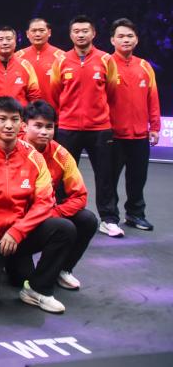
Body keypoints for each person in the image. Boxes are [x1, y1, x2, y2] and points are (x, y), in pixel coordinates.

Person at [0, 96, 75, 313]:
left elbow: (45, 202)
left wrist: (18, 231)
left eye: (14, 120)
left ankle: (38, 290)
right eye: (2, 119)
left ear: (22, 123)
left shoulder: (34, 158)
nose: (9, 125)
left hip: (18, 236)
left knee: (63, 228)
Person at [49, 16, 122, 237]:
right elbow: (54, 93)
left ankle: (109, 219)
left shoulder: (106, 60)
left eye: (85, 31)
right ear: (70, 34)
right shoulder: (61, 60)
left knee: (105, 175)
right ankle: (62, 214)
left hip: (99, 128)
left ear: (93, 34)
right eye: (76, 31)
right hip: (68, 127)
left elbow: (112, 92)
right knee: (63, 175)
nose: (80, 35)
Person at [23, 101, 97, 291]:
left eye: (49, 127)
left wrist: (53, 214)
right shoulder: (12, 148)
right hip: (15, 221)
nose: (44, 132)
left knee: (87, 220)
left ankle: (62, 269)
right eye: (38, 126)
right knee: (19, 277)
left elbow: (80, 196)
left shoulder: (62, 155)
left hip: (45, 215)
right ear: (24, 126)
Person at [107, 18, 161, 232]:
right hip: (113, 135)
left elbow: (152, 98)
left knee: (137, 179)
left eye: (130, 36)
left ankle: (135, 214)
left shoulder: (145, 66)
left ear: (136, 39)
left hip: (139, 135)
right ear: (112, 40)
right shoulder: (106, 64)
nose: (125, 40)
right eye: (120, 36)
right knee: (109, 180)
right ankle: (110, 217)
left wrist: (154, 127)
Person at [0, 26, 42, 128]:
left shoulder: (25, 65)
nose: (5, 43)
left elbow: (34, 96)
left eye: (9, 39)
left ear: (15, 42)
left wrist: (29, 121)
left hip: (19, 125)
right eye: (0, 39)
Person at [16, 17, 66, 108]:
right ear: (27, 34)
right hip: (25, 112)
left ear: (49, 32)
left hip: (54, 111)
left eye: (41, 30)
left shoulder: (62, 57)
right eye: (34, 31)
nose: (38, 34)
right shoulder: (17, 57)